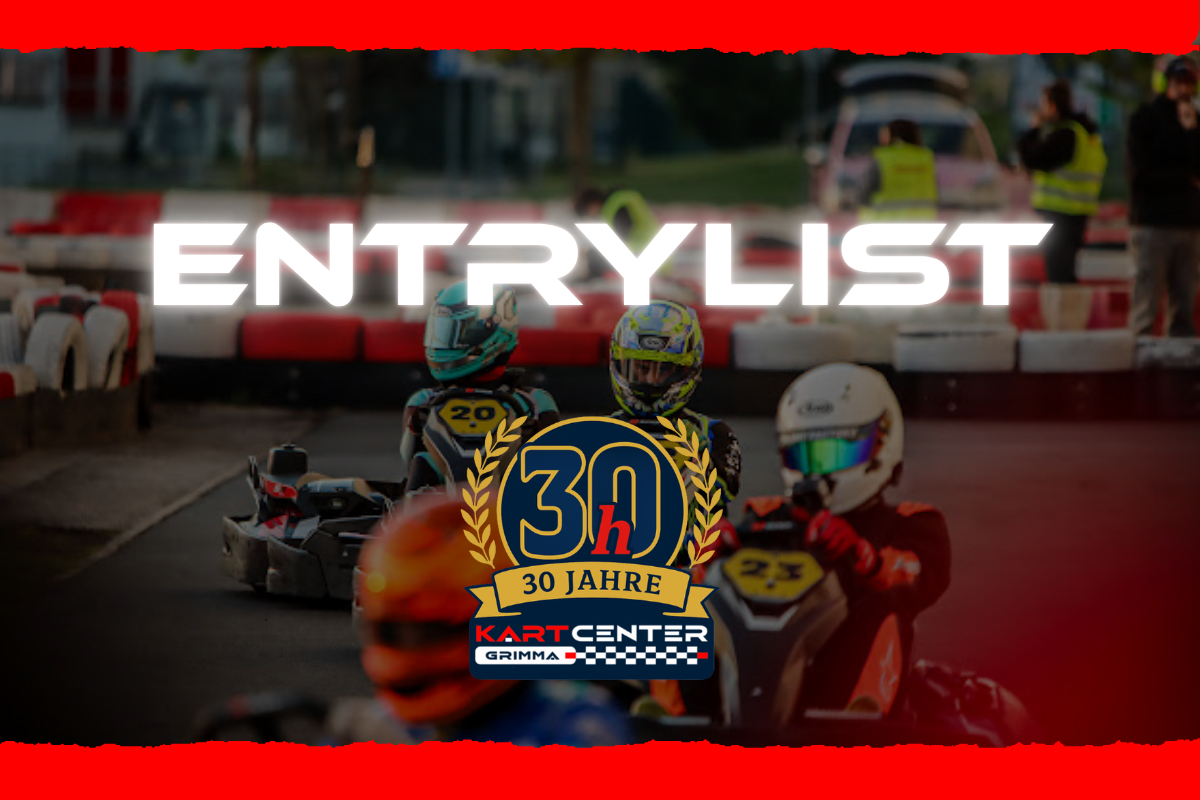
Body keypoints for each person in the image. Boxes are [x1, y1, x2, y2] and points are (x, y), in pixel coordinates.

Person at [651, 364, 951, 718]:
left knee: (884, 607)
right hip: (757, 645)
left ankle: (860, 715)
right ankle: (668, 712)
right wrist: (706, 556)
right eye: (806, 456)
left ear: (880, 446)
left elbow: (921, 576)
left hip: (833, 670)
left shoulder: (909, 522)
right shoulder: (766, 514)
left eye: (834, 454)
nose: (817, 471)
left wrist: (864, 557)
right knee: (685, 592)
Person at [327, 495, 632, 745]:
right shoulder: (373, 728)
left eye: (433, 630)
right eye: (396, 630)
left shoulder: (580, 726)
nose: (413, 648)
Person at [608, 301, 740, 562]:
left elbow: (724, 491)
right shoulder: (600, 430)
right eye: (642, 368)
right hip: (611, 558)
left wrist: (696, 457)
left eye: (663, 370)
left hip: (689, 562)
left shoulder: (713, 433)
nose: (650, 381)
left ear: (688, 369)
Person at [400, 281, 560, 490]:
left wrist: (532, 436)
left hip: (510, 496)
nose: (446, 343)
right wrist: (417, 427)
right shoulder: (425, 401)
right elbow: (408, 458)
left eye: (461, 333)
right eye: (443, 332)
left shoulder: (534, 403)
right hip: (441, 499)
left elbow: (553, 465)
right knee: (422, 460)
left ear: (496, 332)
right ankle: (412, 507)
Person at [1127, 57, 1200, 337]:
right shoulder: (1145, 119)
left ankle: (1180, 359)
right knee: (1146, 302)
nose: (1184, 90)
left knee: (1184, 305)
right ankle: (1140, 358)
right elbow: (1141, 174)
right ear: (1166, 83)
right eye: (1179, 83)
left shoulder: (1194, 122)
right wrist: (1183, 176)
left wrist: (1191, 133)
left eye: (1189, 84)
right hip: (1153, 223)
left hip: (1189, 223)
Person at [1017, 80, 1107, 286]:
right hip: (1077, 213)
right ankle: (1067, 306)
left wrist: (1034, 128)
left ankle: (1064, 308)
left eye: (1043, 105)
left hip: (1060, 213)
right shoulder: (1085, 133)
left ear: (1053, 106)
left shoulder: (1066, 134)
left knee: (1059, 274)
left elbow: (1031, 158)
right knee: (1065, 272)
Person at [574, 186, 670, 278]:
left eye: (587, 213)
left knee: (593, 255)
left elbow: (620, 239)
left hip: (646, 260)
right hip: (659, 262)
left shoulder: (616, 205)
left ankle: (596, 281)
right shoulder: (622, 199)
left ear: (593, 204)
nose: (591, 216)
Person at [857, 119, 938, 221]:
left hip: (884, 223)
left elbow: (863, 194)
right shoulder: (926, 158)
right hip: (922, 223)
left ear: (891, 135)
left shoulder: (883, 158)